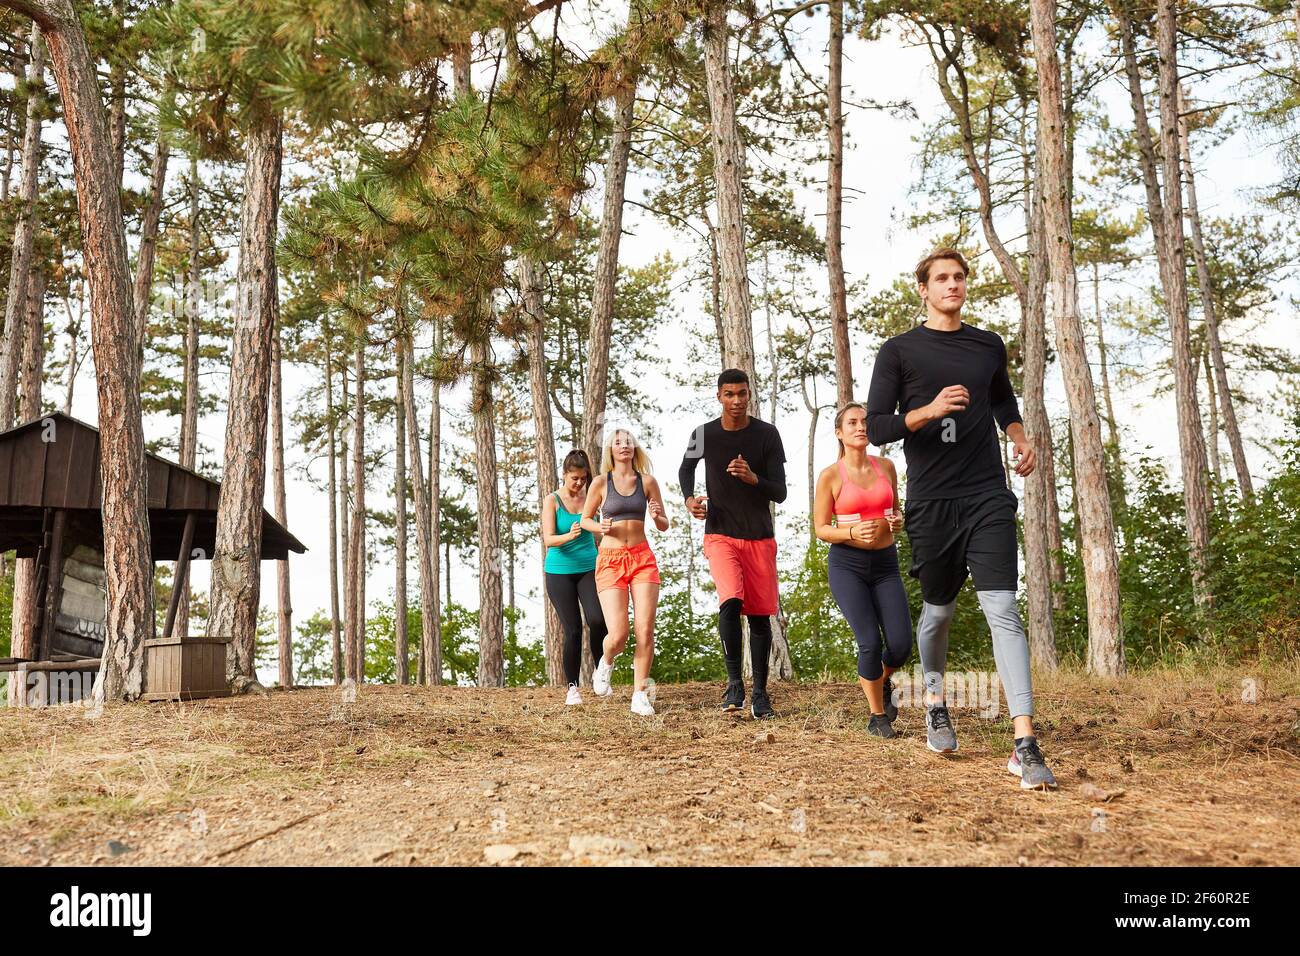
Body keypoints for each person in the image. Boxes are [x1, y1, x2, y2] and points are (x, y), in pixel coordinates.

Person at [865, 247, 1058, 789]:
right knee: (939, 614)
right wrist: (927, 411)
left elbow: (1003, 403)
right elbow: (878, 425)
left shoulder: (986, 345)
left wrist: (1021, 440)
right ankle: (934, 701)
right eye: (942, 278)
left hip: (987, 495)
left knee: (1003, 609)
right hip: (931, 502)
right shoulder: (899, 351)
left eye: (959, 277)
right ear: (923, 289)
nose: (953, 285)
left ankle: (1024, 741)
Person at [679, 369, 788, 719]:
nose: (736, 401)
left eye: (742, 393)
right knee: (730, 601)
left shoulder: (767, 435)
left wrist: (754, 477)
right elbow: (685, 469)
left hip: (759, 536)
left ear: (749, 394)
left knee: (759, 617)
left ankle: (760, 693)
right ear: (719, 397)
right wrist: (689, 498)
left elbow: (781, 491)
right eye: (729, 394)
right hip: (720, 533)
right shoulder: (703, 434)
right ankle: (734, 684)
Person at [813, 402, 911, 738]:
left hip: (886, 564)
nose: (861, 427)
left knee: (900, 645)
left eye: (865, 421)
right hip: (847, 566)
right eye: (852, 423)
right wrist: (852, 532)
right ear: (839, 433)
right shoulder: (830, 476)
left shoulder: (886, 466)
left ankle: (881, 681)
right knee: (869, 641)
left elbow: (895, 511)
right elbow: (822, 529)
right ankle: (877, 716)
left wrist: (897, 521)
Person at [580, 427, 670, 717]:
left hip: (642, 558)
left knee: (645, 629)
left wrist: (657, 517)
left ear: (635, 449)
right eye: (618, 443)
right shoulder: (600, 483)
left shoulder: (647, 482)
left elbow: (664, 523)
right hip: (610, 558)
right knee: (618, 634)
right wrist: (600, 526)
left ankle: (639, 694)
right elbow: (585, 520)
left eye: (629, 442)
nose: (624, 446)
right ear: (611, 450)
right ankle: (606, 661)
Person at [540, 450, 608, 706]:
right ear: (564, 475)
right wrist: (569, 535)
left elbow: (604, 524)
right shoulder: (553, 500)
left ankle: (601, 675)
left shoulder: (592, 497)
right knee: (573, 630)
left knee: (598, 620)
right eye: (574, 478)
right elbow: (548, 539)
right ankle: (572, 688)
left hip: (589, 567)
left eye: (583, 478)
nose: (579, 483)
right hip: (559, 572)